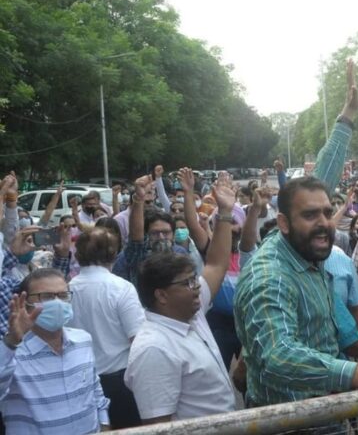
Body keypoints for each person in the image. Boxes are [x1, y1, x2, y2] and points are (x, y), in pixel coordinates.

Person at [234, 176, 358, 411]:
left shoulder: (307, 253)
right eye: (310, 215)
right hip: (289, 419)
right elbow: (278, 356)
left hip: (325, 411)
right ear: (284, 223)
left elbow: (337, 330)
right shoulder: (271, 277)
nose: (324, 223)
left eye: (327, 213)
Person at [124, 174, 237, 423]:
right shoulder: (154, 349)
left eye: (194, 280)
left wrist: (225, 213)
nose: (196, 288)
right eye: (187, 283)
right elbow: (158, 426)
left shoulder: (191, 312)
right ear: (161, 295)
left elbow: (217, 264)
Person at [1, 269, 110, 433]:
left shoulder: (83, 340)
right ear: (25, 303)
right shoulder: (10, 352)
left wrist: (105, 424)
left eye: (63, 296)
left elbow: (95, 390)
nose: (57, 303)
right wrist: (11, 342)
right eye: (46, 297)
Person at [67, 228, 144, 429]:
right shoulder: (122, 288)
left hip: (79, 380)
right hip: (119, 382)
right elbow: (138, 340)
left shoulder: (67, 289)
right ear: (114, 254)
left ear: (78, 255)